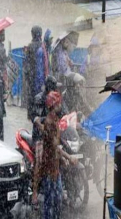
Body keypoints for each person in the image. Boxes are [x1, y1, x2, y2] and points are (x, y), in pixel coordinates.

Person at [33, 91, 77, 219]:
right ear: (54, 105)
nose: (61, 106)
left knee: (56, 200)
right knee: (51, 202)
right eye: (59, 103)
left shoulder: (54, 120)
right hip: (49, 168)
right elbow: (54, 147)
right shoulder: (50, 122)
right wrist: (69, 157)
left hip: (54, 167)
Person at [24, 26, 48, 120]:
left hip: (32, 77)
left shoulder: (30, 46)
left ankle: (31, 115)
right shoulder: (43, 46)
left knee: (32, 96)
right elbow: (45, 63)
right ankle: (38, 114)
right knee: (40, 96)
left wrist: (28, 76)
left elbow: (26, 63)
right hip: (40, 77)